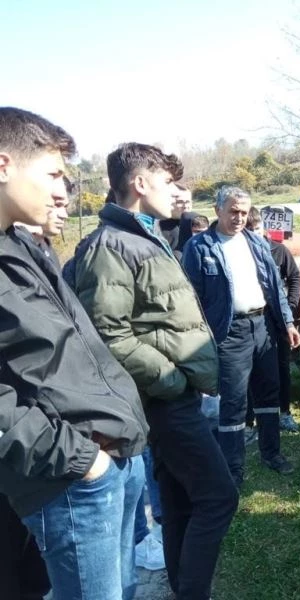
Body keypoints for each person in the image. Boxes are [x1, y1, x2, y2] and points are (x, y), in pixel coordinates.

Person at [68, 143, 237, 600]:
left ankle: (184, 590)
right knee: (220, 498)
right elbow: (108, 334)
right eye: (166, 181)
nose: (175, 190)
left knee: (182, 501)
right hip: (162, 401)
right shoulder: (112, 246)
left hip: (168, 397)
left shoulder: (145, 236)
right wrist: (173, 380)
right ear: (140, 184)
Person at [0, 106, 149, 600]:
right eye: (53, 174)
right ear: (3, 167)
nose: (64, 190)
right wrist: (80, 459)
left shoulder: (21, 248)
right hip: (71, 478)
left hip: (111, 456)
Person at [182, 186, 300, 483]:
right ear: (218, 209)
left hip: (263, 327)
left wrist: (287, 322)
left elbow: (275, 287)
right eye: (233, 211)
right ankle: (232, 467)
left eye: (244, 212)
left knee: (269, 393)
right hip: (229, 332)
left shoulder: (257, 243)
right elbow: (191, 299)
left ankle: (272, 453)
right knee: (233, 401)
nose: (239, 218)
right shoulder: (199, 248)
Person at [245, 207, 300, 432]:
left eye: (257, 228)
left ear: (264, 228)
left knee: (281, 368)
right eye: (249, 230)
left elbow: (295, 277)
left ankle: (285, 413)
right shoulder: (238, 254)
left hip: (276, 320)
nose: (253, 233)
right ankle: (249, 420)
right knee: (249, 371)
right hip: (251, 319)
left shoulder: (279, 251)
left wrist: (289, 307)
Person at [157, 182, 192, 251]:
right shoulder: (160, 231)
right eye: (180, 202)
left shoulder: (196, 224)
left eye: (188, 202)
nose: (185, 206)